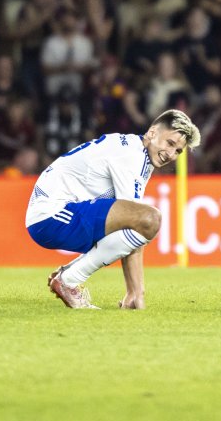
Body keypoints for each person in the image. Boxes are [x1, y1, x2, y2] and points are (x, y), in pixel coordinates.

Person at [27, 109, 201, 310]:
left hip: (54, 213)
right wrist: (137, 292)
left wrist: (135, 292)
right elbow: (136, 221)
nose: (171, 154)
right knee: (150, 219)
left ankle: (68, 276)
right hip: (52, 216)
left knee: (143, 220)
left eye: (178, 151)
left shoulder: (136, 150)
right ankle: (68, 280)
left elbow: (131, 223)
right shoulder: (130, 156)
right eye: (170, 143)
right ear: (152, 132)